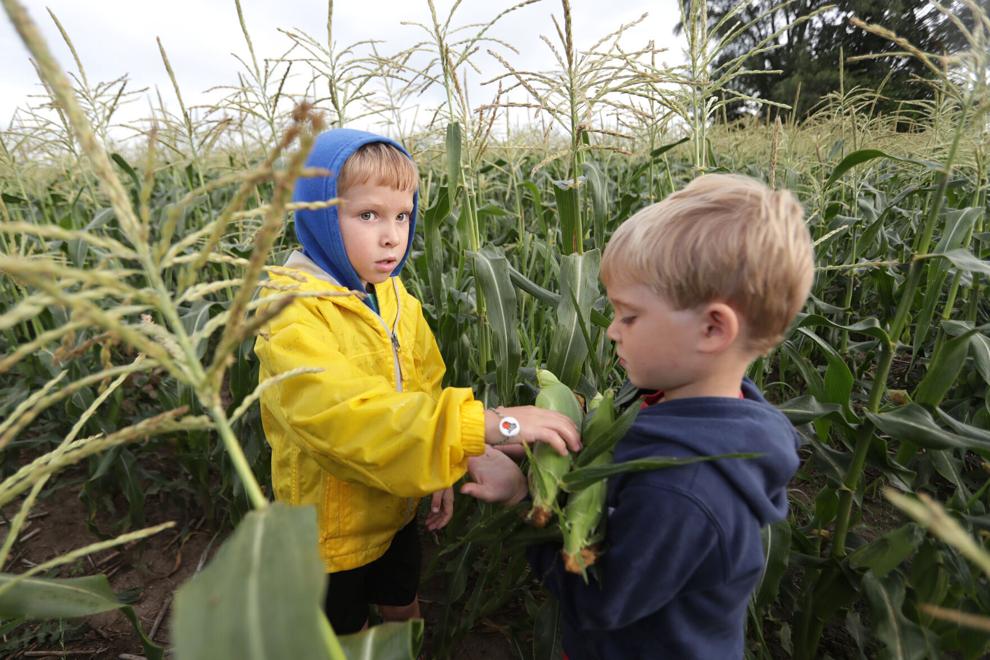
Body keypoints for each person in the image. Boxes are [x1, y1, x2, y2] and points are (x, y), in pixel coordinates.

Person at [461, 173, 815, 659]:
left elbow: (601, 600)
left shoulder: (680, 487)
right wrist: (545, 450)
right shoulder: (709, 412)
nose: (611, 331)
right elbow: (617, 460)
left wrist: (525, 497)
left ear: (712, 329)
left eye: (629, 316)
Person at [253, 127, 580, 635]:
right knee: (347, 639)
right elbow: (350, 421)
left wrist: (452, 462)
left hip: (399, 507)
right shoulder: (291, 319)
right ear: (318, 216)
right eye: (368, 215)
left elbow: (425, 387)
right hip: (329, 537)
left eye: (402, 215)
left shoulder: (395, 297)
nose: (391, 235)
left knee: (403, 608)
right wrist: (495, 426)